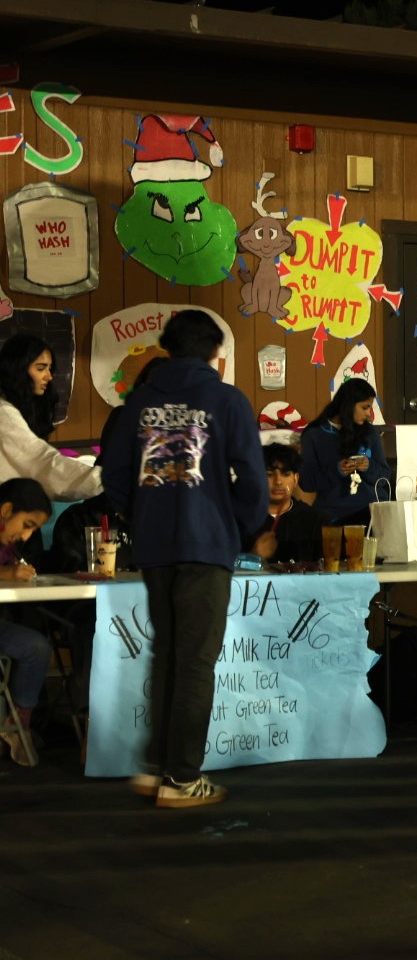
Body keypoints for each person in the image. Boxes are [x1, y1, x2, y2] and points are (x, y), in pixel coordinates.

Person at [101, 310, 266, 807]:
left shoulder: (138, 402)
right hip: (206, 545)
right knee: (196, 664)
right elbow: (253, 481)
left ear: (167, 347)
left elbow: (112, 474)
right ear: (217, 353)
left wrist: (141, 516)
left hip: (154, 547)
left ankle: (156, 768)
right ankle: (181, 779)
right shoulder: (227, 399)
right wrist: (238, 527)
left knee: (168, 655)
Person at [0, 334, 101, 501]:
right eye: (40, 368)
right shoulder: (4, 412)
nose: (49, 376)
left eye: (49, 368)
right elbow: (40, 462)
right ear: (17, 369)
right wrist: (105, 480)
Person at [0, 478, 55, 766]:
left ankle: (17, 723)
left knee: (37, 647)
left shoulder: (7, 546)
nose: (26, 537)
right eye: (28, 524)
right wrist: (8, 574)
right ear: (6, 510)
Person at [300, 378, 392, 525]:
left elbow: (385, 477)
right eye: (365, 407)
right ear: (348, 405)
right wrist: (337, 470)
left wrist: (368, 466)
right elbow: (306, 482)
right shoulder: (315, 434)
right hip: (334, 514)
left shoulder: (369, 432)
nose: (369, 414)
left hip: (371, 510)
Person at [244, 443, 323, 564]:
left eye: (286, 474)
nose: (278, 481)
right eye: (269, 474)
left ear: (296, 479)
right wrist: (255, 555)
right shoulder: (241, 518)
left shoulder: (314, 519)